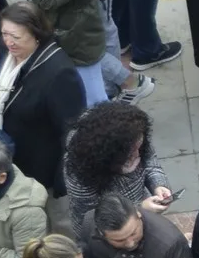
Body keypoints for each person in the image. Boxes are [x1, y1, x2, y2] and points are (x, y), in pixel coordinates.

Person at [0, 5, 86, 199]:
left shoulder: (59, 72)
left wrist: (61, 185)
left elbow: (73, 131)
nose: (9, 42)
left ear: (37, 34)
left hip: (34, 173)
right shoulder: (1, 49)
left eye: (16, 37)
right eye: (5, 34)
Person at [61, 102, 174, 240]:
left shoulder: (133, 137)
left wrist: (158, 185)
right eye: (131, 152)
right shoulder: (79, 174)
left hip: (140, 214)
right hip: (111, 236)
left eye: (139, 147)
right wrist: (139, 209)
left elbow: (150, 161)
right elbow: (93, 219)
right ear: (110, 154)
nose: (137, 154)